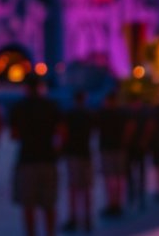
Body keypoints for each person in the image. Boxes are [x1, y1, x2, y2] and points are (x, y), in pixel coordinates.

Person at [8, 74, 62, 236]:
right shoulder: (51, 105)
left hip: (27, 159)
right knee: (49, 204)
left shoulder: (19, 107)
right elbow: (61, 132)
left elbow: (14, 135)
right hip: (48, 158)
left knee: (28, 205)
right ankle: (50, 233)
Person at [59, 90, 94, 233]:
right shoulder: (89, 115)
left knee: (73, 187)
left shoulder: (69, 115)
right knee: (86, 188)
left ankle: (73, 217)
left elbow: (63, 133)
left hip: (73, 153)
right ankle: (87, 218)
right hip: (86, 153)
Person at [96, 90, 128, 218]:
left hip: (107, 148)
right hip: (119, 148)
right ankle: (119, 203)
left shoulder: (103, 113)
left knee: (110, 177)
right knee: (119, 177)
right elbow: (129, 127)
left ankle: (112, 203)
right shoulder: (121, 113)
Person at [124, 92, 153, 211]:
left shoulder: (139, 112)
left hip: (137, 146)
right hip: (134, 146)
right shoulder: (138, 111)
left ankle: (138, 195)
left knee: (139, 171)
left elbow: (149, 126)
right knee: (132, 171)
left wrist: (144, 141)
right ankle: (134, 194)